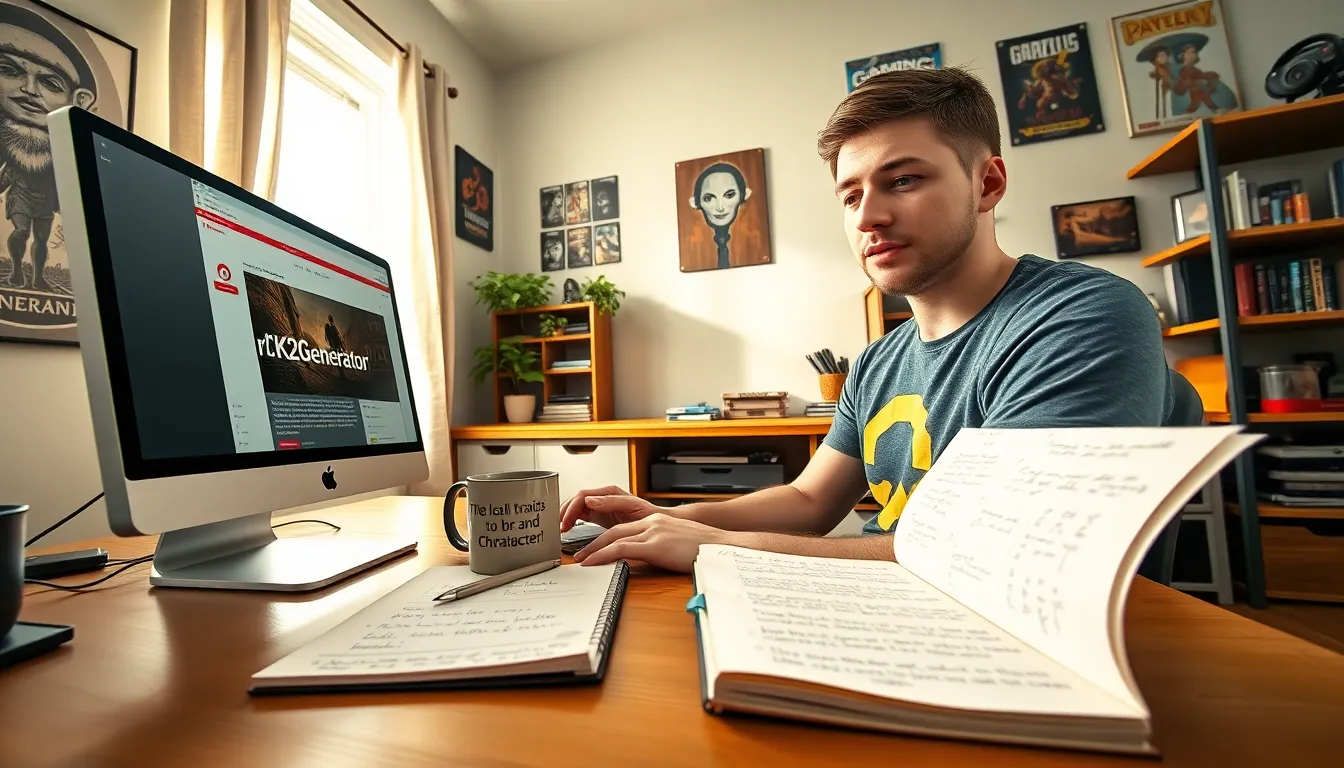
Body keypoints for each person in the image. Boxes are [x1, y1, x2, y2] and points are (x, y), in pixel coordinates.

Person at [562, 66, 1190, 573]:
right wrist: (675, 518)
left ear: (988, 183)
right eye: (851, 195)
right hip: (884, 600)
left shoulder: (1080, 317)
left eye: (904, 180)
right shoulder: (876, 362)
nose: (868, 218)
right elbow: (809, 501)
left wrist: (719, 547)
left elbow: (1003, 559)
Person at [0, 5, 97, 291]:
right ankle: (17, 269)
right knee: (21, 230)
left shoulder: (61, 148)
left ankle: (38, 277)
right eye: (10, 70)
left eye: (48, 82)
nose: (30, 90)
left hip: (43, 197)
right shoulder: (9, 136)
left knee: (42, 238)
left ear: (77, 99)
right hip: (19, 193)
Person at [688, 161, 751, 269]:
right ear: (695, 203)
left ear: (744, 195)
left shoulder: (750, 243)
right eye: (709, 199)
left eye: (729, 195)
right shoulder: (693, 251)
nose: (720, 207)